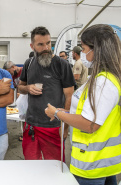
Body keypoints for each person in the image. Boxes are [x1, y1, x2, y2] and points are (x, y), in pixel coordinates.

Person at [45, 24, 121, 185]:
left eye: (85, 49)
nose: (82, 53)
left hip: (91, 163)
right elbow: (90, 111)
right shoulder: (100, 78)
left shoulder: (104, 82)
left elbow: (90, 124)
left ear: (97, 50)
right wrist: (65, 111)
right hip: (99, 161)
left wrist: (58, 114)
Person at [18, 26, 75, 160]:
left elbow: (69, 97)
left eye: (48, 43)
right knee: (32, 167)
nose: (46, 48)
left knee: (54, 168)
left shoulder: (62, 64)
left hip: (53, 127)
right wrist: (27, 88)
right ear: (32, 46)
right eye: (41, 44)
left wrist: (65, 127)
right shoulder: (29, 63)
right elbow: (20, 87)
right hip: (31, 125)